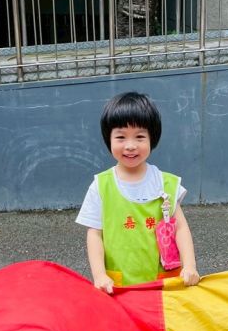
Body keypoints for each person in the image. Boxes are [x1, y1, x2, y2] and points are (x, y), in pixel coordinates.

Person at [76, 92, 200, 292]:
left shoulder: (165, 183)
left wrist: (190, 266)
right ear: (109, 139)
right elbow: (95, 234)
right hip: (118, 286)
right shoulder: (101, 186)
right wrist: (99, 275)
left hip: (163, 285)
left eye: (140, 137)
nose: (131, 146)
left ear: (152, 138)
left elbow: (180, 228)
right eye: (121, 137)